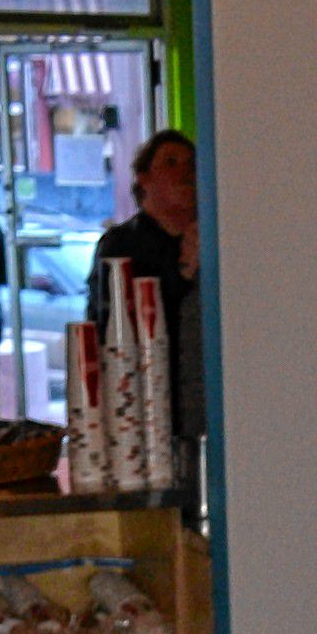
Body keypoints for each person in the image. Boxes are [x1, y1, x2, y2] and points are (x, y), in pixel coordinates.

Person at [88, 126, 202, 440]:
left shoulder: (215, 238)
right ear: (143, 177)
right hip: (144, 412)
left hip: (203, 405)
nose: (185, 172)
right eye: (171, 162)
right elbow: (113, 326)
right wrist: (183, 273)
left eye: (192, 163)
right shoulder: (120, 245)